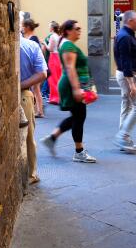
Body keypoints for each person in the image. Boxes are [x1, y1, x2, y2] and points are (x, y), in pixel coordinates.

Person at [41, 20, 97, 163]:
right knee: (79, 116)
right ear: (68, 31)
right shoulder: (67, 45)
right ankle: (79, 152)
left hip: (75, 84)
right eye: (77, 29)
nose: (79, 31)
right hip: (72, 85)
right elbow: (70, 68)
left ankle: (52, 138)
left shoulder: (68, 44)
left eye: (80, 28)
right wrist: (77, 89)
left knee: (77, 116)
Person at [113, 10, 136, 153]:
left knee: (127, 106)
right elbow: (125, 61)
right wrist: (131, 83)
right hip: (129, 76)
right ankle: (122, 136)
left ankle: (123, 139)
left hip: (128, 75)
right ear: (129, 21)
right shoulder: (125, 37)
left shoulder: (128, 35)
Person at [19, 34, 48, 184]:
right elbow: (42, 73)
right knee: (28, 135)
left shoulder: (26, 45)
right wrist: (21, 85)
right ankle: (31, 174)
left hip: (21, 93)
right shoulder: (31, 46)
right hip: (24, 94)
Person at [22, 19, 45, 118]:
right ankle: (38, 110)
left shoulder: (32, 39)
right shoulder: (32, 38)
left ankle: (39, 111)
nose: (22, 28)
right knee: (36, 89)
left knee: (36, 90)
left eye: (23, 26)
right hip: (35, 69)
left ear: (27, 27)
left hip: (35, 70)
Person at [45, 22, 62, 105]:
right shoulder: (58, 36)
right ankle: (57, 97)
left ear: (52, 28)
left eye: (49, 26)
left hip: (53, 57)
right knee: (57, 77)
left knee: (52, 78)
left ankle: (55, 98)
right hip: (58, 57)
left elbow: (50, 49)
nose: (48, 27)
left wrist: (44, 43)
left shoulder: (52, 36)